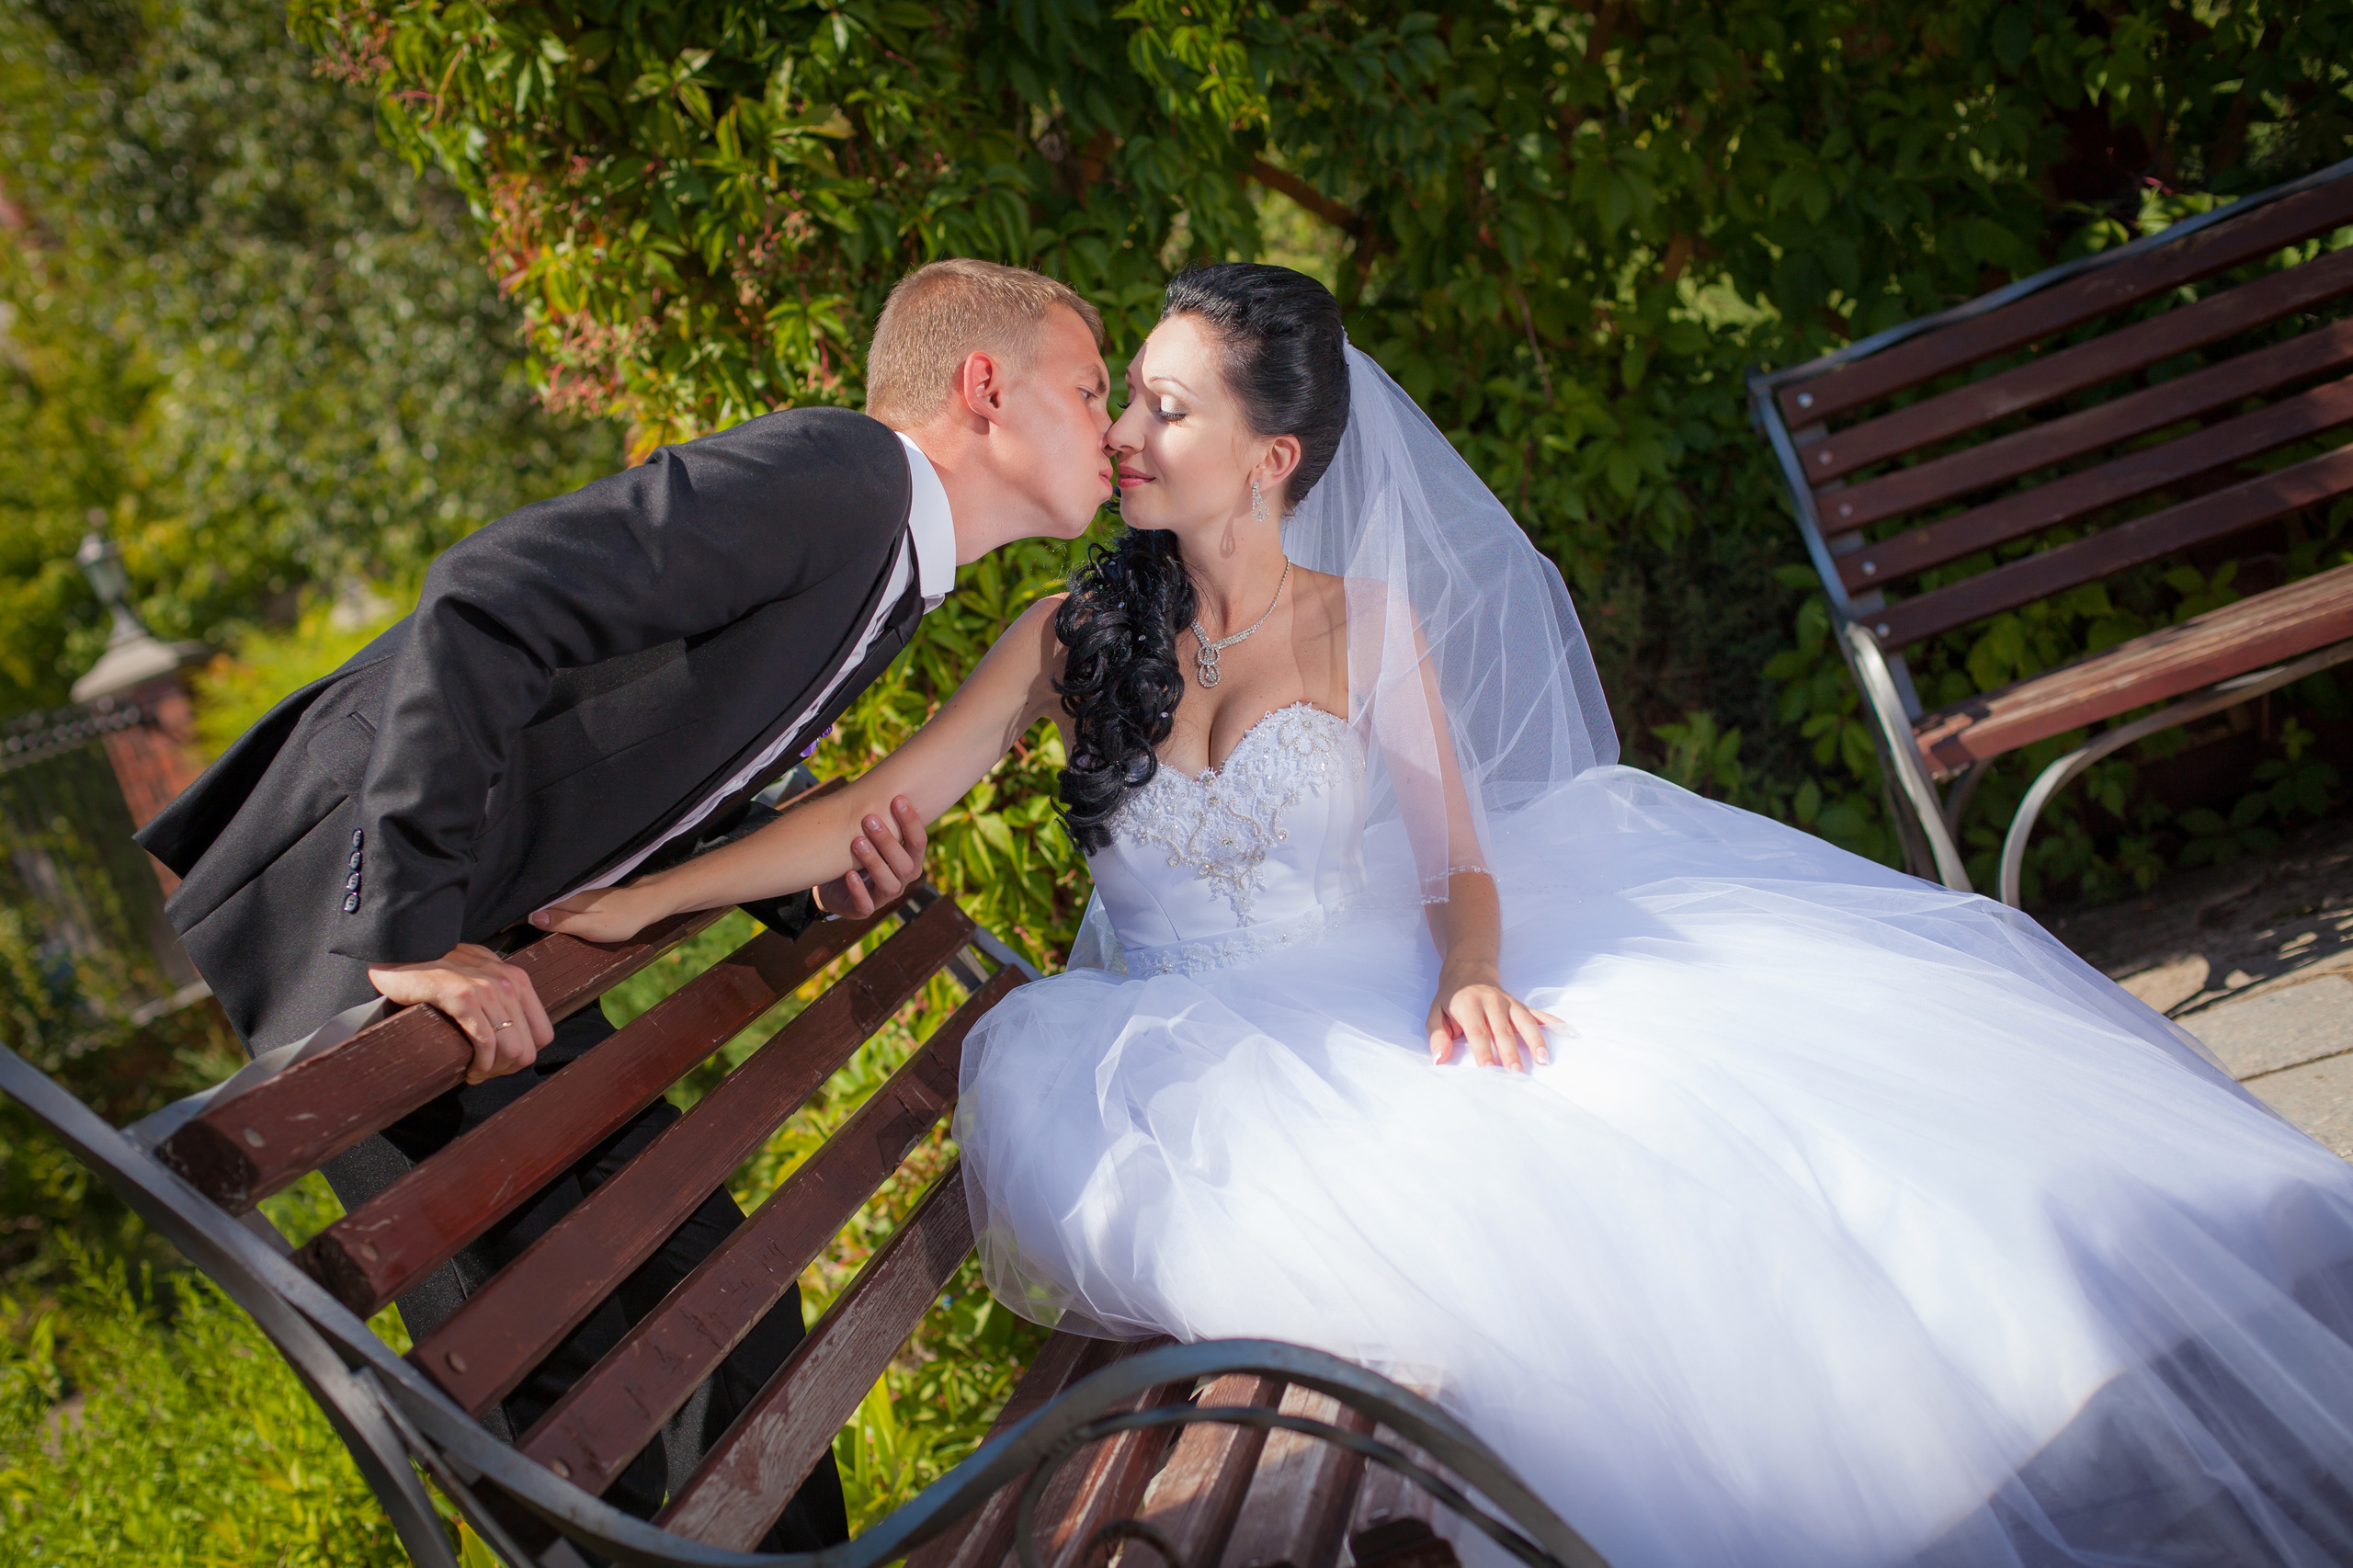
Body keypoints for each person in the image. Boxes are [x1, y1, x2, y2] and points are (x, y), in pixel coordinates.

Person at [540, 263, 2353, 1567]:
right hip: (1187, 1067)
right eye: (1129, 396)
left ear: (1273, 452)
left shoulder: (1364, 631)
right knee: (1412, 1259)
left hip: (1383, 988)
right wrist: (641, 898)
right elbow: (881, 807)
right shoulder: (1065, 634)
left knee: (1674, 1140)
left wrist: (1474, 975)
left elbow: (1456, 868)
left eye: (1166, 404)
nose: (1129, 433)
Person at [137, 257, 1115, 1543]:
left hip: (470, 935)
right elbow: (488, 596)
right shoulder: (845, 478)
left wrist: (799, 870)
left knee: (712, 1292)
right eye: (1094, 390)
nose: (1116, 427)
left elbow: (655, 726)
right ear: (986, 387)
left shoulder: (891, 548)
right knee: (558, 1390)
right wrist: (418, 935)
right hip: (363, 911)